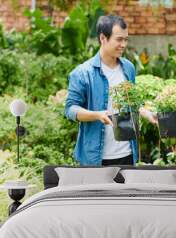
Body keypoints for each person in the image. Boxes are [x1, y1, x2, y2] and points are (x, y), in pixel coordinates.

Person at [65, 15, 156, 166]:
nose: (123, 44)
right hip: (95, 158)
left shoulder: (128, 68)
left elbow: (131, 101)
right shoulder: (82, 73)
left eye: (126, 39)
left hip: (127, 153)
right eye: (119, 39)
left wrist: (147, 113)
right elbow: (70, 109)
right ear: (103, 38)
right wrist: (96, 115)